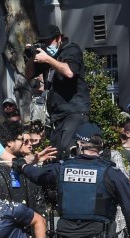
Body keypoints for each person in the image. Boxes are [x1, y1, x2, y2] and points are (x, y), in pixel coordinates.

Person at [25, 25, 90, 160]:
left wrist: (48, 59)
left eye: (49, 41)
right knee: (56, 152)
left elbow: (69, 72)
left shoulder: (71, 50)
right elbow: (28, 74)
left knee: (68, 148)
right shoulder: (44, 54)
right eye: (44, 42)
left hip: (74, 110)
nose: (47, 45)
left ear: (59, 38)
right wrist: (32, 56)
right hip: (56, 113)